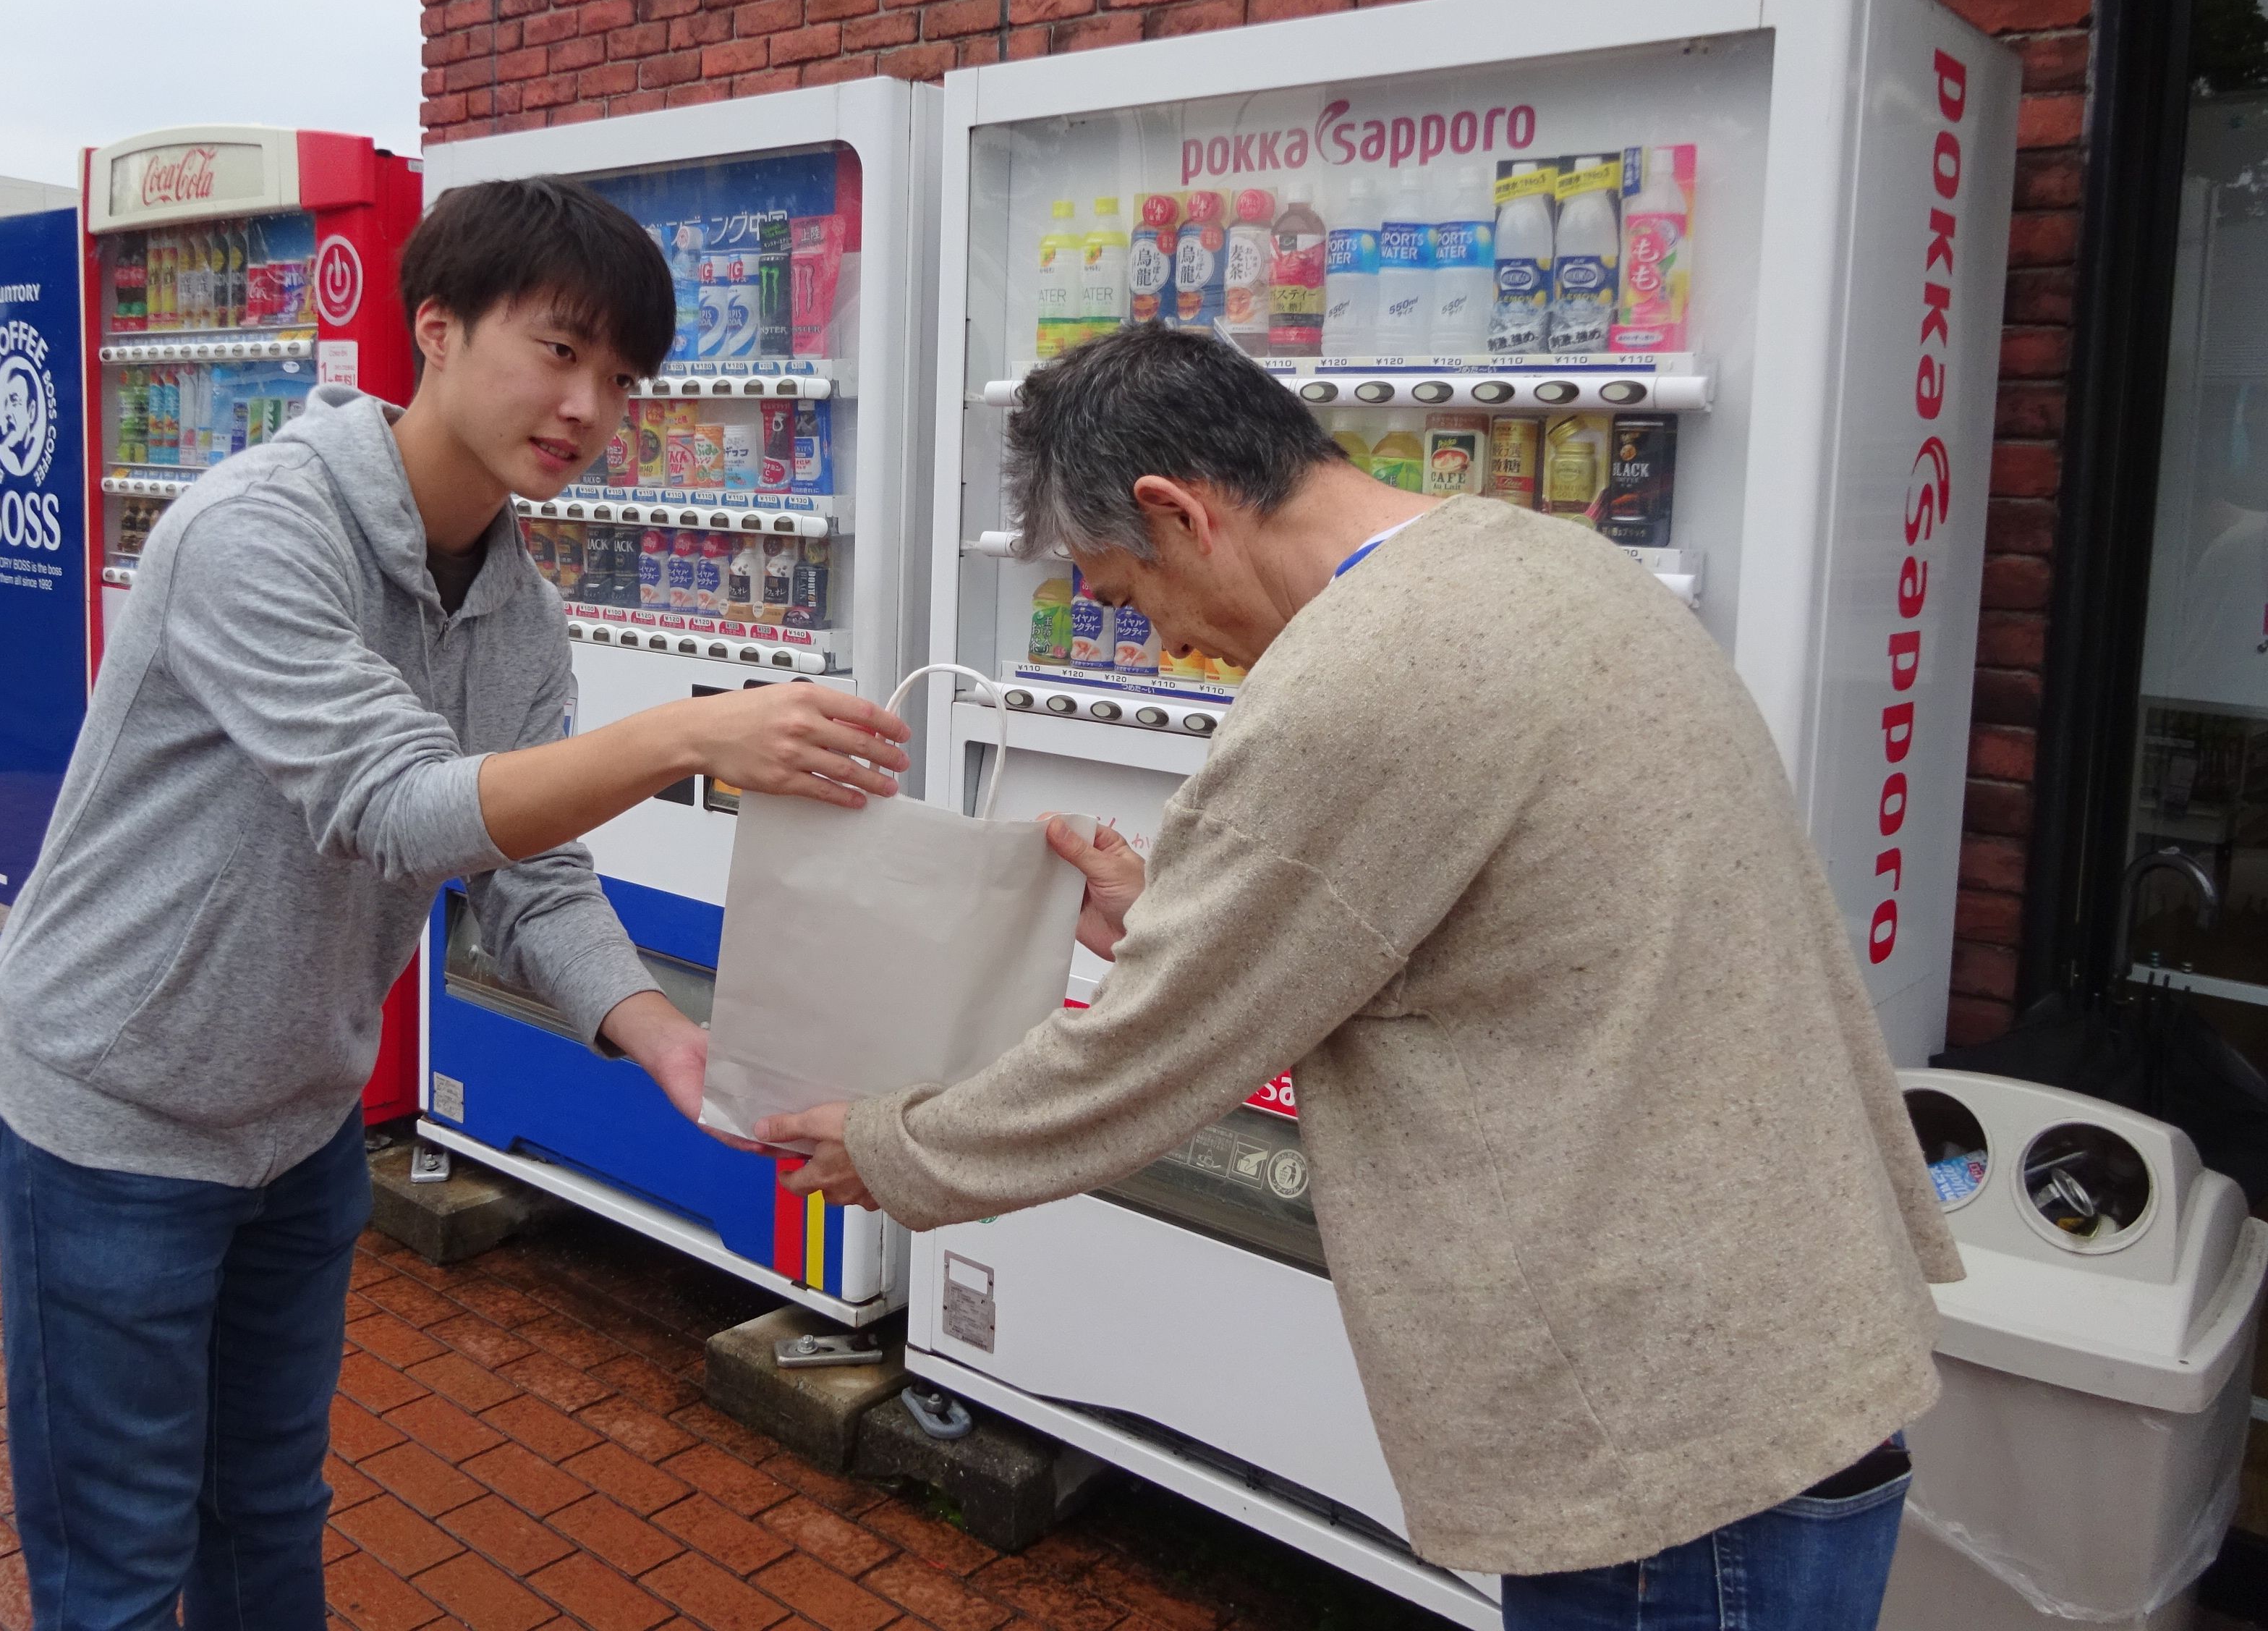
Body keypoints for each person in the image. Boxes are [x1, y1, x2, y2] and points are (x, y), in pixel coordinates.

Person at [760, 325, 1961, 1631]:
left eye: (1122, 592)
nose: (1158, 644)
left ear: (1177, 512)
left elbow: (1143, 1053)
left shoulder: (1354, 681)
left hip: (1658, 1425)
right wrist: (1169, 907)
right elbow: (1458, 916)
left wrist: (898, 1146)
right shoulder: (1533, 559)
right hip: (1767, 1341)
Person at [0, 177, 909, 1630]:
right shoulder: (254, 531)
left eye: (623, 378)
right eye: (559, 350)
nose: (590, 406)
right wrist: (687, 734)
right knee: (118, 1568)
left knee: (272, 1518)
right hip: (114, 1116)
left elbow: (523, 874)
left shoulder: (520, 610)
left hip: (297, 1127)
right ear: (437, 329)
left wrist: (665, 1040)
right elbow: (394, 804)